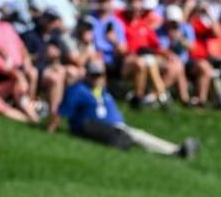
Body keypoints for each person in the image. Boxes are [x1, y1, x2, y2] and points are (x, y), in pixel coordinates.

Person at [47, 60, 199, 157]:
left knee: (136, 134)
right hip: (95, 126)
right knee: (136, 135)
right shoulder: (78, 90)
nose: (96, 78)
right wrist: (50, 131)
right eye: (93, 75)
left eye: (99, 75)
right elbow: (62, 112)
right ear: (86, 74)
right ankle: (175, 151)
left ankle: (175, 151)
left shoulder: (103, 91)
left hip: (115, 126)